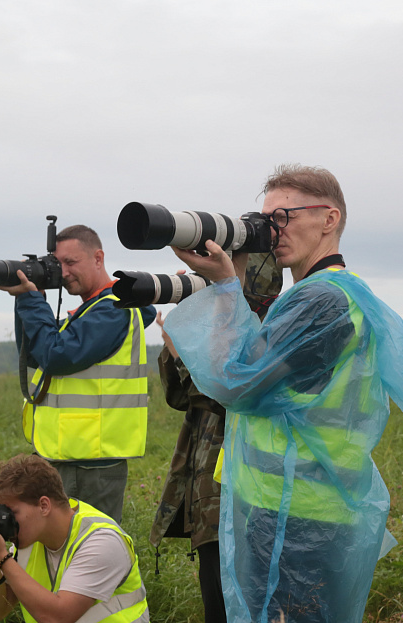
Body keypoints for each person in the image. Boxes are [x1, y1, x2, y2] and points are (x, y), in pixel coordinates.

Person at [162, 165, 403, 623]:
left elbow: (236, 382)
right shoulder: (321, 294)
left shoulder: (322, 301)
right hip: (293, 504)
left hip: (295, 512)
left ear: (329, 219)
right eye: (265, 220)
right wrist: (235, 277)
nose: (272, 231)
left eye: (284, 217)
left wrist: (227, 287)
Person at [149, 252, 283, 623]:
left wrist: (183, 354)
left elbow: (229, 397)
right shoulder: (221, 327)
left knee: (239, 608)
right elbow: (180, 397)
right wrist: (179, 344)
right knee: (217, 606)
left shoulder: (262, 328)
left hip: (240, 498)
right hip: (210, 497)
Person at [0, 224, 155, 524]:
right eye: (58, 265)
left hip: (90, 464)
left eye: (71, 263)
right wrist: (27, 297)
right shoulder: (88, 313)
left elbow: (57, 355)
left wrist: (33, 302)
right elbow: (36, 355)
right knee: (61, 549)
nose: (64, 272)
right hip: (70, 457)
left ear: (98, 258)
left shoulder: (113, 310)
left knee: (88, 552)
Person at [0, 453, 149, 623]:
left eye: (11, 512)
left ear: (44, 505)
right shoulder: (29, 539)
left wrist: (1, 558)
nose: (6, 521)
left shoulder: (101, 541)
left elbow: (58, 617)